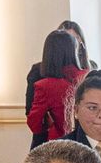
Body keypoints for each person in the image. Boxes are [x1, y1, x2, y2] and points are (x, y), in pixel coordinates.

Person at [26, 20, 95, 149]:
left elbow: (34, 124)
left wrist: (48, 123)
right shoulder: (88, 76)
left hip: (58, 145)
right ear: (74, 49)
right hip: (88, 141)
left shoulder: (45, 85)